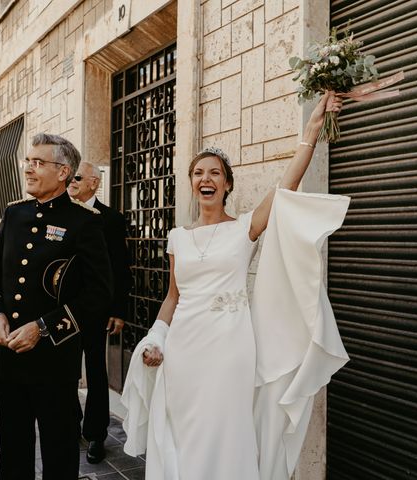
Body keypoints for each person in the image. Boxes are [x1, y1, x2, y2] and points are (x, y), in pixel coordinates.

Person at [121, 91, 350, 480]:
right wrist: (157, 339)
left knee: (227, 428)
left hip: (231, 346)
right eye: (198, 173)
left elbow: (285, 186)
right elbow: (173, 297)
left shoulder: (244, 228)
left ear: (227, 184)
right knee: (185, 428)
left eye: (214, 173)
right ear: (192, 184)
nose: (205, 179)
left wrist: (311, 128)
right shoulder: (177, 237)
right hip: (184, 349)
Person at [0, 133, 112, 480]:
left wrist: (43, 328)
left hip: (54, 363)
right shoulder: (13, 215)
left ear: (63, 171)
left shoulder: (85, 223)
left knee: (60, 454)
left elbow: (98, 294)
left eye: (39, 163)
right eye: (28, 161)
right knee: (13, 455)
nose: (29, 169)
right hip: (7, 360)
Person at [67, 161, 132, 463]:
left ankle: (96, 434)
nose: (72, 182)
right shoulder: (62, 214)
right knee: (66, 371)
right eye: (70, 177)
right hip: (64, 311)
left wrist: (118, 310)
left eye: (77, 178)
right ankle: (70, 425)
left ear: (94, 183)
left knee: (95, 371)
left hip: (95, 309)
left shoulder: (112, 219)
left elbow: (120, 268)